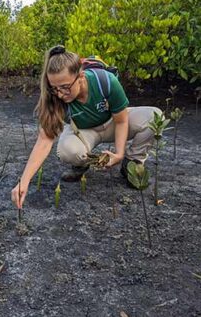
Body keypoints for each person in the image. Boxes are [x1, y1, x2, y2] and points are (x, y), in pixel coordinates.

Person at [11, 45, 161, 209]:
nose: (60, 94)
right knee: (68, 150)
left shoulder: (105, 81)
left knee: (155, 117)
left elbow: (121, 121)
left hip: (112, 121)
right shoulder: (55, 98)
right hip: (83, 130)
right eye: (55, 88)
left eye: (65, 87)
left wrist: (119, 154)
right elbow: (44, 140)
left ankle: (133, 162)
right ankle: (81, 164)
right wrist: (23, 182)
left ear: (80, 76)